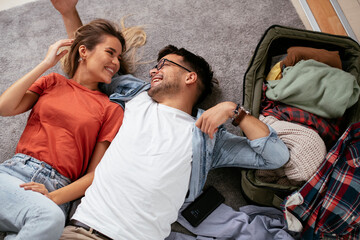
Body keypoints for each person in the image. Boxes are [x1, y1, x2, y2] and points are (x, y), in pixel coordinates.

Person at [52, 2, 290, 239]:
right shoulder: (135, 94)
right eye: (155, 67)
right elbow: (90, 63)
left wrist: (234, 111)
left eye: (163, 65)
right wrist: (68, 13)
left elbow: (275, 156)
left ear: (191, 77)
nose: (153, 71)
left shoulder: (208, 137)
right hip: (86, 230)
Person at [0, 18, 140, 240]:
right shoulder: (52, 82)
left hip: (56, 193)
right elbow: (4, 107)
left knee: (48, 219)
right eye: (110, 53)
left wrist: (53, 198)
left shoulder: (110, 109)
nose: (115, 62)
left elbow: (95, 174)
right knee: (48, 218)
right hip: (14, 174)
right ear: (84, 51)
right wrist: (46, 63)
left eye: (119, 58)